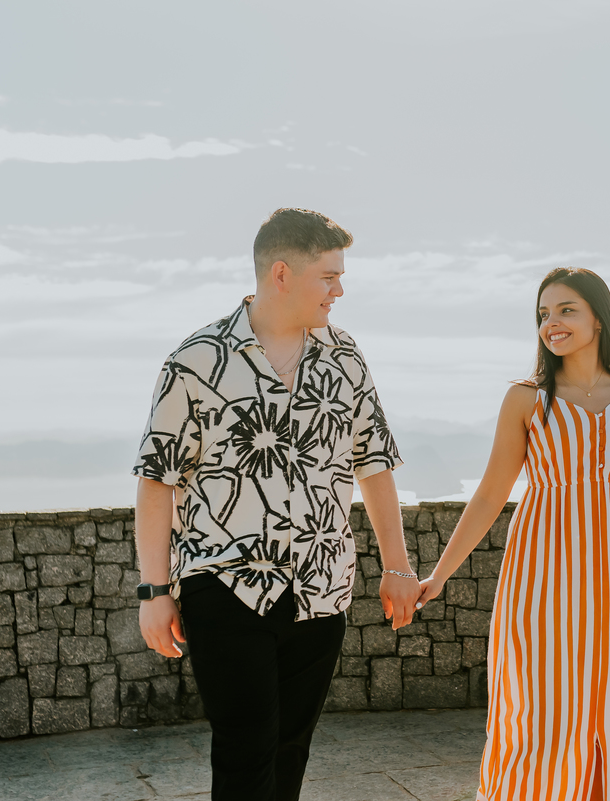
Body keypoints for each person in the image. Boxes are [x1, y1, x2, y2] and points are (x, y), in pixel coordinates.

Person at [131, 208, 420, 801]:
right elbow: (157, 480)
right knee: (245, 746)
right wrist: (154, 592)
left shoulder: (346, 358)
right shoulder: (197, 360)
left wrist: (397, 567)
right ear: (282, 273)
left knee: (290, 747)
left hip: (323, 583)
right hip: (224, 583)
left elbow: (375, 464)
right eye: (329, 277)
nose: (340, 290)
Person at [416, 267, 610, 801]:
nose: (552, 323)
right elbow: (489, 494)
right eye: (543, 314)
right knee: (536, 714)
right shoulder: (527, 399)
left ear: (599, 317)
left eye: (566, 309)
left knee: (609, 712)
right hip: (542, 579)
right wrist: (439, 574)